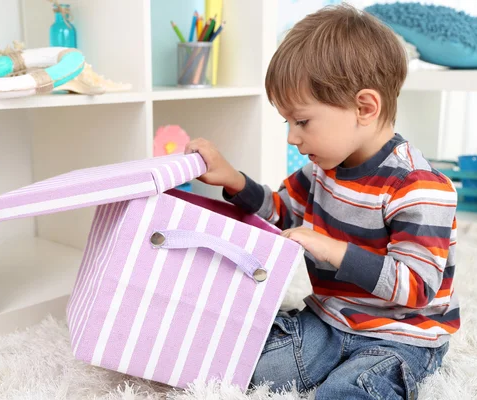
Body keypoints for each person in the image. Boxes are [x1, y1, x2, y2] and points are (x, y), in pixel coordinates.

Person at [185, 4, 459, 399]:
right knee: (242, 364)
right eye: (288, 123)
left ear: (365, 108)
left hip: (401, 336)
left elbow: (417, 286)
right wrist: (233, 179)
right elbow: (281, 212)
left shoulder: (419, 186)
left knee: (351, 390)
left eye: (303, 121)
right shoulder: (321, 171)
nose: (292, 138)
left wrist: (333, 250)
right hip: (330, 320)